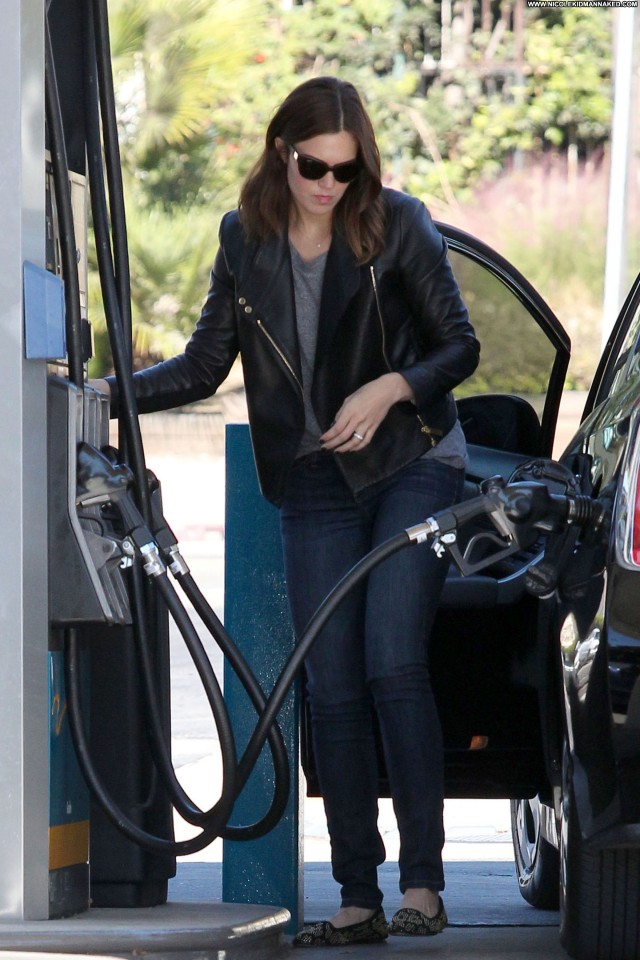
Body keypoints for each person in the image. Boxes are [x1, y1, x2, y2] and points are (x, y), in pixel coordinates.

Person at [95, 75, 480, 947]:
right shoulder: (246, 237)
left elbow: (460, 346)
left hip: (413, 459)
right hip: (312, 477)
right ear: (283, 152)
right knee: (331, 684)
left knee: (391, 661)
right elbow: (204, 365)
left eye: (347, 171)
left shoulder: (399, 223)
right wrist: (98, 393)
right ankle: (358, 896)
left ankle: (422, 884)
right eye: (315, 167)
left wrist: (390, 386)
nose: (330, 186)